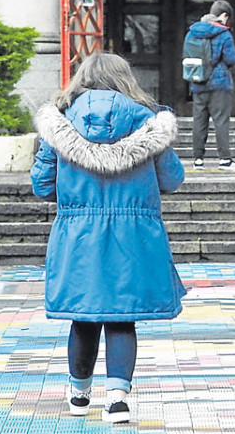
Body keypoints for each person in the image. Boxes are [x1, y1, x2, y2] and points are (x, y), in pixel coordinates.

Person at [30, 53, 187, 424]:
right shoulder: (148, 123)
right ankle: (117, 399)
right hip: (134, 237)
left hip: (78, 236)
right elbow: (173, 179)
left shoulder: (61, 123)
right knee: (122, 317)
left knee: (82, 316)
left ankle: (79, 394)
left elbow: (41, 185)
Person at [184, 0, 235, 170]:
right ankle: (225, 159)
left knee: (199, 121)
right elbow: (231, 59)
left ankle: (198, 160)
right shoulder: (223, 33)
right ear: (223, 16)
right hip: (219, 84)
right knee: (221, 121)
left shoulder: (192, 32)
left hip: (197, 82)